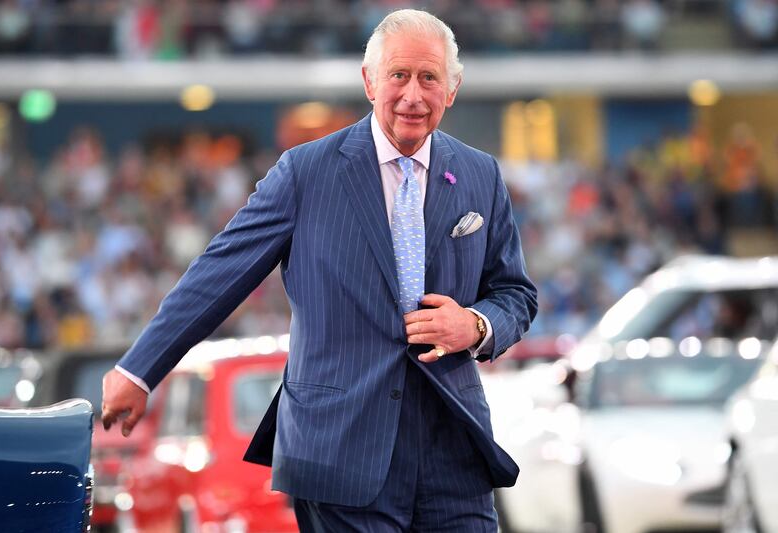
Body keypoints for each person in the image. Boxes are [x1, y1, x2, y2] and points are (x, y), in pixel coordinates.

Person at [101, 9, 537, 531]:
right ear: (369, 81)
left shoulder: (479, 174)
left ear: (453, 87)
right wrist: (139, 370)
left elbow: (515, 293)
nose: (413, 96)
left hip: (453, 451)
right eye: (399, 75)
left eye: (429, 78)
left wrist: (476, 325)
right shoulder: (305, 173)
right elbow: (217, 275)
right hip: (339, 449)